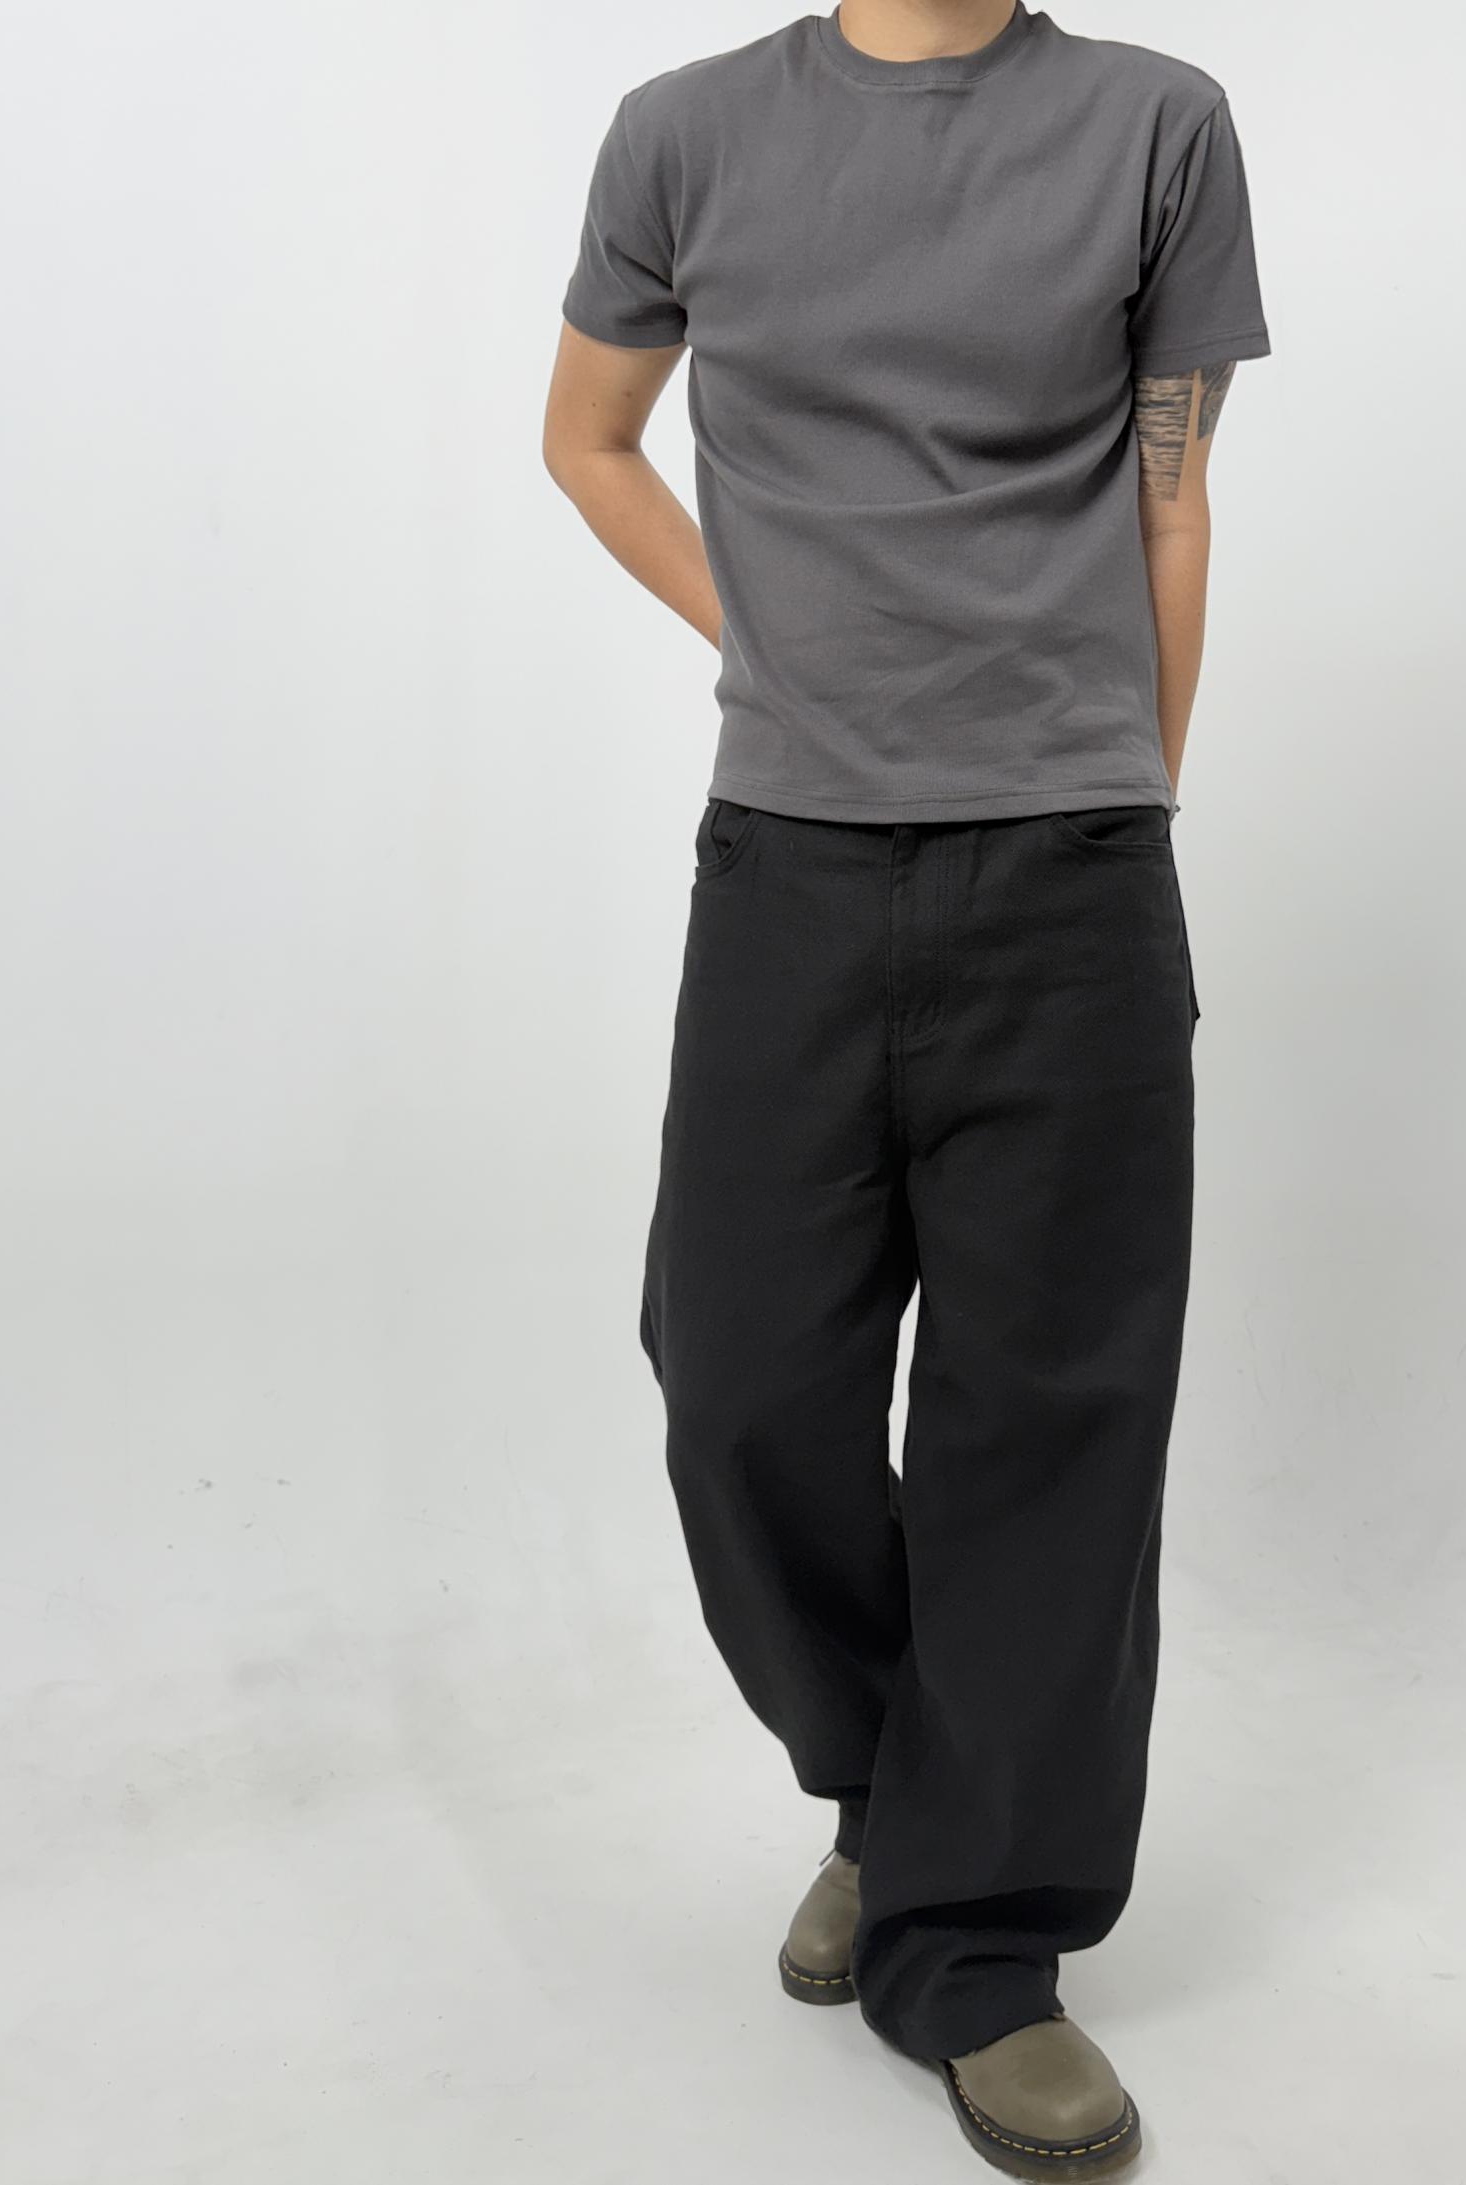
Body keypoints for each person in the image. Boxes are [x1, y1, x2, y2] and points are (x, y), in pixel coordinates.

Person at [542, 1, 1268, 2171]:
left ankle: (975, 1945)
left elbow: (1173, 498)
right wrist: (765, 640)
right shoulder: (684, 136)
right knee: (736, 1378)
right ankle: (895, 1787)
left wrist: (1125, 806)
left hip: (1069, 865)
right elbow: (587, 439)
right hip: (788, 861)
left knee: (1047, 1421)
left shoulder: (1158, 127)